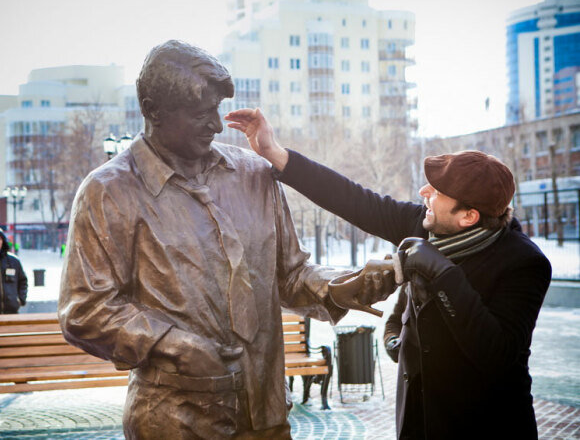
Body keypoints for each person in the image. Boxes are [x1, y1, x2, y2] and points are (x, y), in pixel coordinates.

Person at [58, 40, 393, 439]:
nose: (217, 125)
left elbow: (290, 274)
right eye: (201, 114)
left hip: (266, 412)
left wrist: (342, 286)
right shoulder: (109, 191)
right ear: (152, 110)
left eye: (217, 110)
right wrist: (174, 344)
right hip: (176, 422)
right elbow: (85, 309)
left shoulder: (254, 174)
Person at [225, 108, 552, 439]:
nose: (425, 191)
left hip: (485, 425)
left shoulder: (524, 263)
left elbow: (497, 355)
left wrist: (442, 272)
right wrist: (274, 152)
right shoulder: (426, 227)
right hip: (417, 421)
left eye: (438, 191)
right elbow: (353, 199)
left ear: (468, 216)